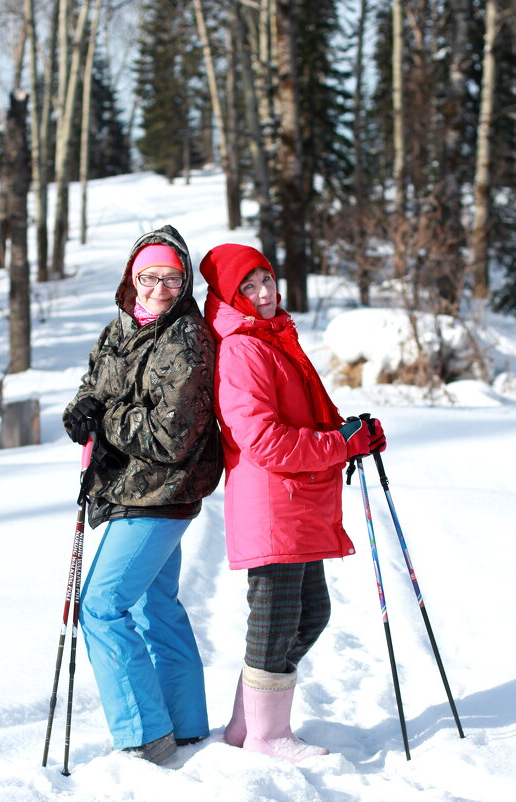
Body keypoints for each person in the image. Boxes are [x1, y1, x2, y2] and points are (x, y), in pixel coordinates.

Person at [199, 243, 386, 763]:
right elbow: (265, 441)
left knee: (308, 614)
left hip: (294, 498)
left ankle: (247, 724)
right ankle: (267, 735)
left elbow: (302, 416)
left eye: (267, 281)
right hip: (272, 500)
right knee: (279, 617)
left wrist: (351, 432)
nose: (262, 294)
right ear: (228, 295)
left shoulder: (273, 338)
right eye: (248, 287)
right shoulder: (242, 349)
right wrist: (341, 446)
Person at [63, 225, 222, 765]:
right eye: (149, 276)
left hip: (161, 493)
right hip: (125, 488)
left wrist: (105, 420)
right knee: (157, 607)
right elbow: (94, 387)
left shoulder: (188, 340)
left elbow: (172, 437)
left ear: (184, 282)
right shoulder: (118, 330)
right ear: (132, 277)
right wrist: (80, 411)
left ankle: (142, 734)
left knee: (101, 608)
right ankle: (186, 728)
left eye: (171, 278)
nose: (159, 288)